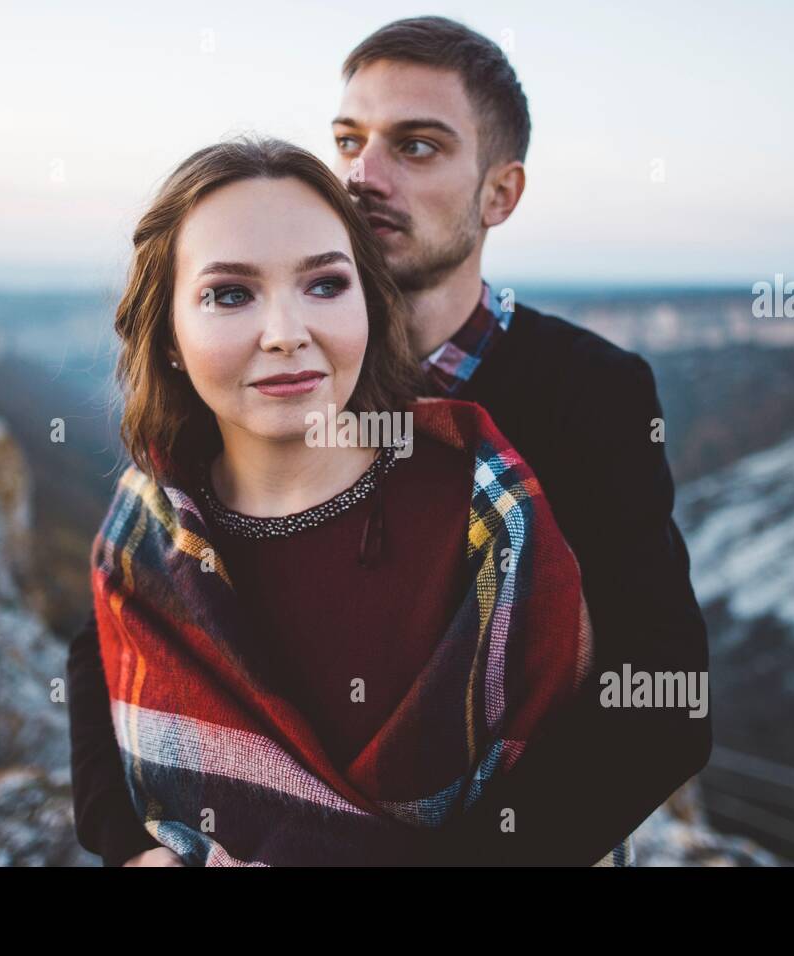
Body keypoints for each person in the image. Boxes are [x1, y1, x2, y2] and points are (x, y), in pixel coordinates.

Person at [71, 15, 709, 867]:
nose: (362, 176)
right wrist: (124, 841)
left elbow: (661, 697)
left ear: (500, 194)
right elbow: (125, 621)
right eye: (348, 139)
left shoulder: (587, 394)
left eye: (415, 147)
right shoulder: (253, 399)